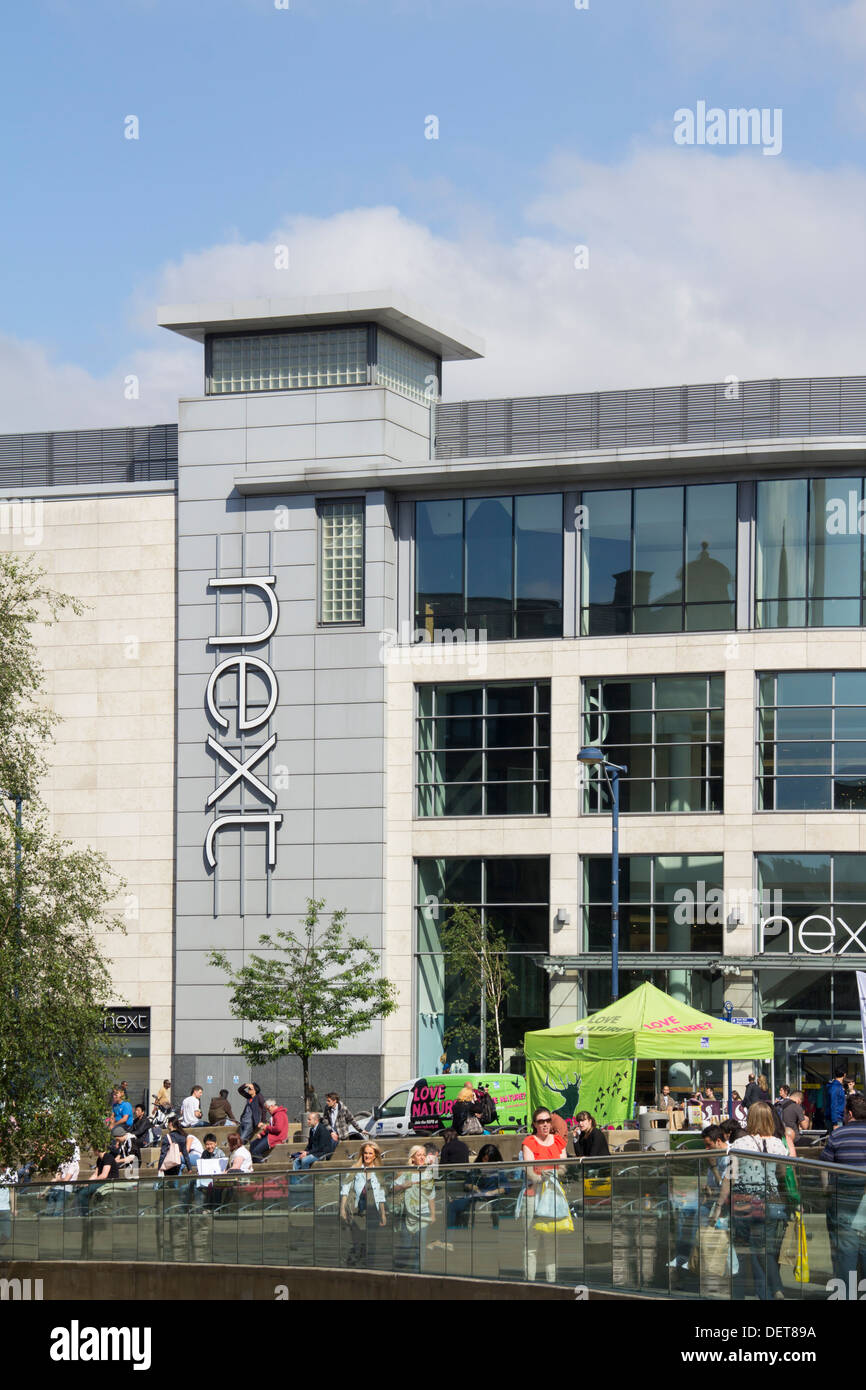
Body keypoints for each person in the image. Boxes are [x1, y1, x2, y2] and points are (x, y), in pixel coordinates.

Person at [720, 1101, 789, 1300]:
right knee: (764, 1248)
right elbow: (783, 1174)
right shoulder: (778, 1143)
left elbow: (729, 1176)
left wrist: (718, 1205)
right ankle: (771, 1290)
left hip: (745, 1200)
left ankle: (739, 1294)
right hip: (771, 1200)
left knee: (742, 1251)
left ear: (750, 1119)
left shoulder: (740, 1144)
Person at [820, 1092, 866, 1285]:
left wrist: (827, 1188)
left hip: (844, 1199)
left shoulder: (838, 1135)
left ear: (849, 1113)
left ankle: (846, 1292)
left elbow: (824, 1167)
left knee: (845, 1250)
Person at [521, 1106, 568, 1283]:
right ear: (535, 1124)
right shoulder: (529, 1142)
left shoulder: (558, 1141)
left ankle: (552, 1282)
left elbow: (563, 1167)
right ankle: (530, 1283)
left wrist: (548, 1173)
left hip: (553, 1195)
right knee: (531, 1243)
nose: (545, 1124)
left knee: (551, 1243)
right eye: (541, 1121)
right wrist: (545, 1174)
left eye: (548, 1120)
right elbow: (530, 1170)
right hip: (533, 1195)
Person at [340, 1141, 387, 1268]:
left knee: (371, 1240)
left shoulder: (378, 1171)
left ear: (375, 1156)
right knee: (358, 1239)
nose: (367, 1156)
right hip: (358, 1210)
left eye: (370, 1153)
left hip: (373, 1210)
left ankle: (369, 1264)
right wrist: (342, 1209)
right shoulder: (355, 1168)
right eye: (365, 1153)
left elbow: (381, 1194)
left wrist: (383, 1214)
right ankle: (353, 1262)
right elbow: (345, 1188)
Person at [394, 1144, 437, 1270]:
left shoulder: (428, 1174)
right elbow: (391, 1188)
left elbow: (431, 1195)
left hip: (423, 1215)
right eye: (419, 1155)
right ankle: (401, 1267)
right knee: (406, 1245)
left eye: (424, 1155)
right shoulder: (405, 1173)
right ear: (413, 1158)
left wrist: (433, 1214)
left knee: (420, 1246)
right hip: (407, 1214)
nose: (422, 1157)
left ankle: (417, 1272)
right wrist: (402, 1186)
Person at [448, 1143, 509, 1230]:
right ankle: (451, 1233)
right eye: (484, 1159)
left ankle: (494, 1230)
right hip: (475, 1197)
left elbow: (506, 1188)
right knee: (453, 1206)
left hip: (492, 1200)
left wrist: (492, 1192)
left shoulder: (499, 1170)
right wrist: (472, 1186)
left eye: (488, 1160)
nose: (485, 1162)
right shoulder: (476, 1168)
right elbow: (466, 1183)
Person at [250, 1098, 289, 1162]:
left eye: (268, 1109)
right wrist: (261, 1134)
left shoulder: (279, 1114)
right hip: (271, 1136)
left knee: (255, 1152)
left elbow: (278, 1129)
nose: (268, 1111)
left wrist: (266, 1127)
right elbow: (271, 1128)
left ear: (272, 1106)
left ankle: (260, 1167)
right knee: (252, 1144)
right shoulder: (275, 1115)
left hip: (276, 1138)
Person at [828, 1067, 848, 1132]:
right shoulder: (836, 1087)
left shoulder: (836, 1086)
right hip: (836, 1119)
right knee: (838, 1140)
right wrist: (835, 1122)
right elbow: (833, 1104)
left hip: (838, 1117)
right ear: (844, 1075)